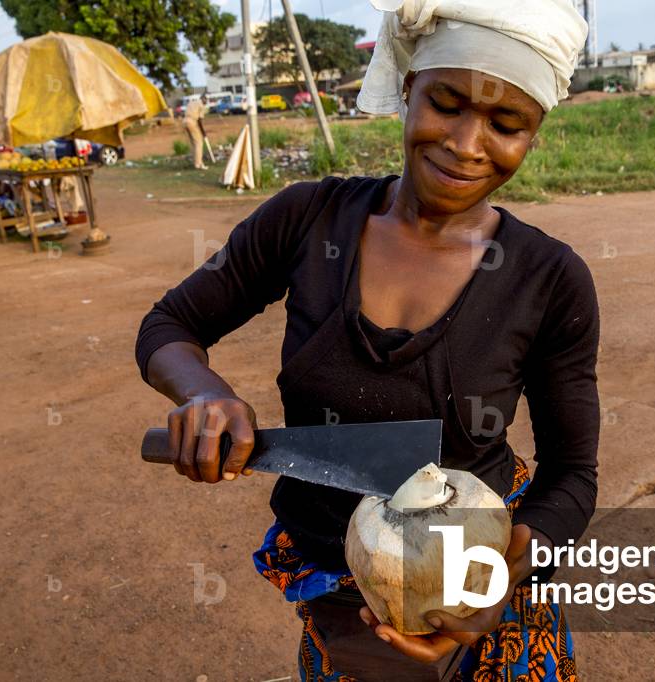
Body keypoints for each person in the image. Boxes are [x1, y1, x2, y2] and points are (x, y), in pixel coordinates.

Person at [136, 1, 596, 678]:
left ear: (534, 134)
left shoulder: (548, 278)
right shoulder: (304, 219)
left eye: (505, 125)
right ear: (408, 87)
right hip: (337, 593)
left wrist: (492, 581)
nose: (467, 144)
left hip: (477, 599)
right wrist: (204, 394)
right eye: (446, 102)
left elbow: (571, 476)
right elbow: (168, 326)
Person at [182, 94, 208, 170]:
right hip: (192, 122)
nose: (206, 103)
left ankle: (197, 162)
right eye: (206, 101)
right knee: (199, 142)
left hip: (185, 121)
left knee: (194, 143)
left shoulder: (191, 102)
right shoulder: (201, 105)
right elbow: (200, 120)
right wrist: (203, 132)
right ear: (204, 99)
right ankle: (198, 164)